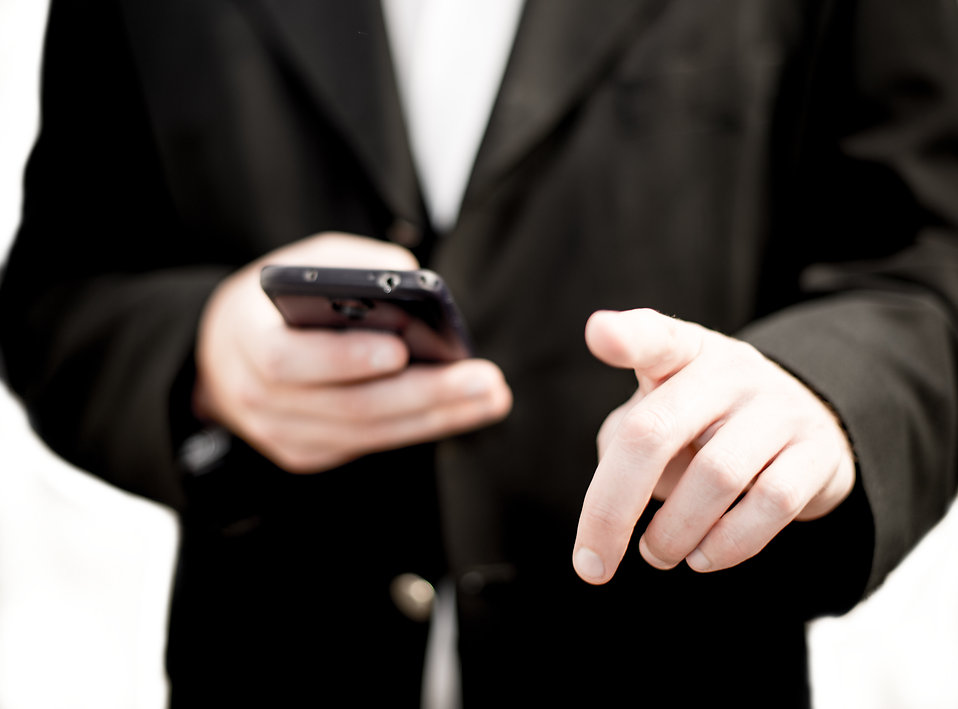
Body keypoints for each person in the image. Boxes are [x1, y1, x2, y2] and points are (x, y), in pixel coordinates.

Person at [2, 1, 957, 707]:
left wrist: (828, 391)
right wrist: (205, 358)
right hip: (274, 659)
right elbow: (60, 286)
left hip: (664, 665)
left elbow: (928, 256)